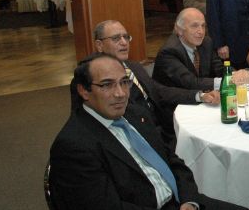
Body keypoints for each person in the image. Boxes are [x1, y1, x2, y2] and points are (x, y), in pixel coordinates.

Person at [51, 53, 249, 210]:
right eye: (107, 85)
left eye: (124, 82)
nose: (120, 93)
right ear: (84, 91)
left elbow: (172, 161)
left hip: (173, 206)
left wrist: (190, 203)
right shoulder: (74, 145)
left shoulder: (134, 114)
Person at [70, 20, 213, 145]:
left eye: (126, 37)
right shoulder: (88, 75)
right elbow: (86, 122)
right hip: (135, 138)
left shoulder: (133, 66)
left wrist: (199, 95)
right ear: (99, 45)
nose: (124, 42)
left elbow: (159, 91)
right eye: (116, 38)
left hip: (161, 126)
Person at [153, 8, 249, 93]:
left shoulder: (206, 43)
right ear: (179, 30)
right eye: (194, 26)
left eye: (203, 26)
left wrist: (236, 74)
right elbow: (191, 83)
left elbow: (219, 68)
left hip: (201, 97)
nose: (201, 31)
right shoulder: (169, 52)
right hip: (176, 103)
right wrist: (229, 81)